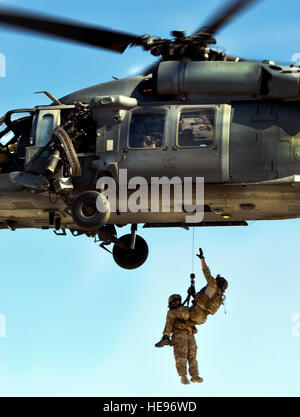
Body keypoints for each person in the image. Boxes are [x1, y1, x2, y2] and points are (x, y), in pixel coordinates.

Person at [155, 248, 228, 384]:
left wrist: (202, 259)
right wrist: (193, 294)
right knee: (191, 355)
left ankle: (165, 337)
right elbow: (203, 302)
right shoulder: (219, 297)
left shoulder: (212, 285)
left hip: (195, 314)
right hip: (200, 318)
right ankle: (193, 376)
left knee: (171, 315)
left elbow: (206, 272)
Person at [155, 293, 203, 385]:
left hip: (190, 336)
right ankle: (183, 376)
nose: (178, 302)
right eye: (176, 301)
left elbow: (191, 321)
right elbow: (174, 325)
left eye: (179, 300)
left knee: (192, 356)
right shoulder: (172, 313)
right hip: (179, 336)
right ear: (171, 303)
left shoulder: (183, 311)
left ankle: (194, 375)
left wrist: (193, 328)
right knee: (181, 357)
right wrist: (186, 327)